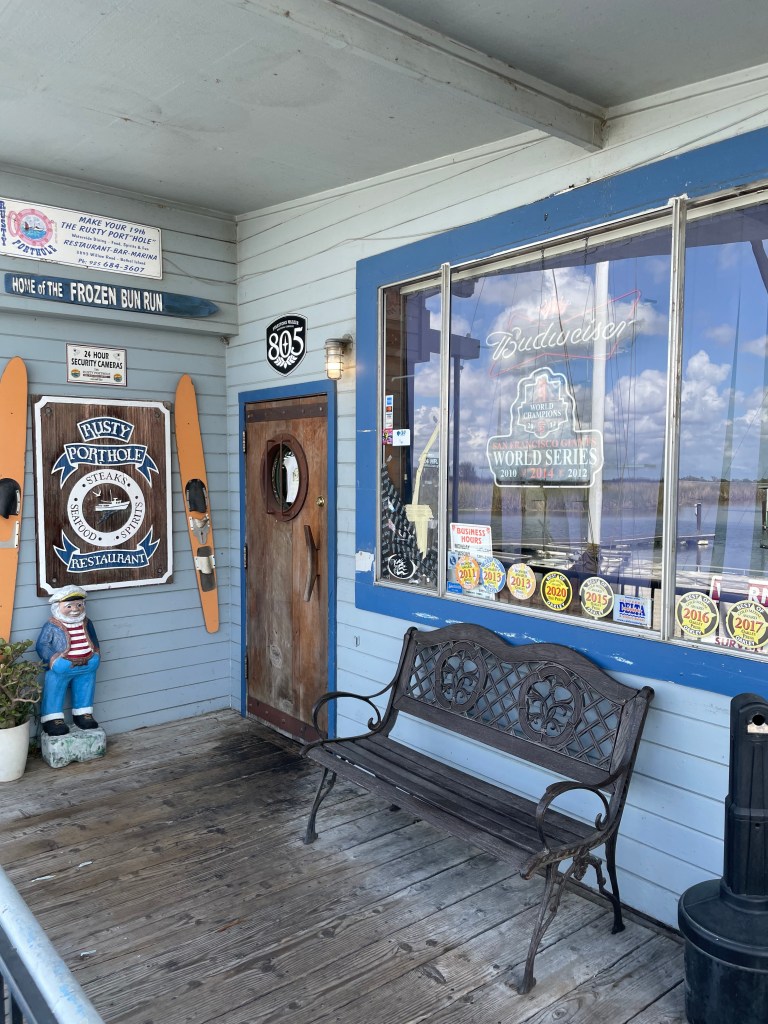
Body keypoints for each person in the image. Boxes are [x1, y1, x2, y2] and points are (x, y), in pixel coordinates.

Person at [37, 586, 100, 737]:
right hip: (63, 665)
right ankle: (53, 719)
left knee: (85, 688)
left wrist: (96, 654)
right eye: (69, 606)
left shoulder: (86, 622)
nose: (75, 609)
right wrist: (54, 661)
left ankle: (83, 714)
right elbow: (42, 645)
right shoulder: (52, 626)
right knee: (54, 690)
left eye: (79, 605)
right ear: (57, 607)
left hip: (87, 663)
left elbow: (94, 639)